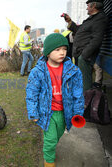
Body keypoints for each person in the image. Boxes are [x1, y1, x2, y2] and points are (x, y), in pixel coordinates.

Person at [26, 33, 84, 167]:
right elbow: (32, 92)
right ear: (47, 52)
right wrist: (33, 112)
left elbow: (78, 94)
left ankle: (50, 149)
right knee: (51, 139)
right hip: (47, 111)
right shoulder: (38, 71)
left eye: (64, 49)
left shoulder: (73, 71)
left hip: (65, 111)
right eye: (57, 50)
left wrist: (78, 112)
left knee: (58, 136)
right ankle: (49, 160)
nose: (62, 53)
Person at [63, 0, 108, 91]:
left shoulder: (100, 19)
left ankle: (85, 102)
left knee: (85, 82)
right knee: (82, 80)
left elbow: (97, 39)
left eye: (88, 5)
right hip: (81, 54)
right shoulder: (92, 19)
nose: (86, 8)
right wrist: (69, 21)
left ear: (94, 5)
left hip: (85, 56)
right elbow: (79, 29)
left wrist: (84, 55)